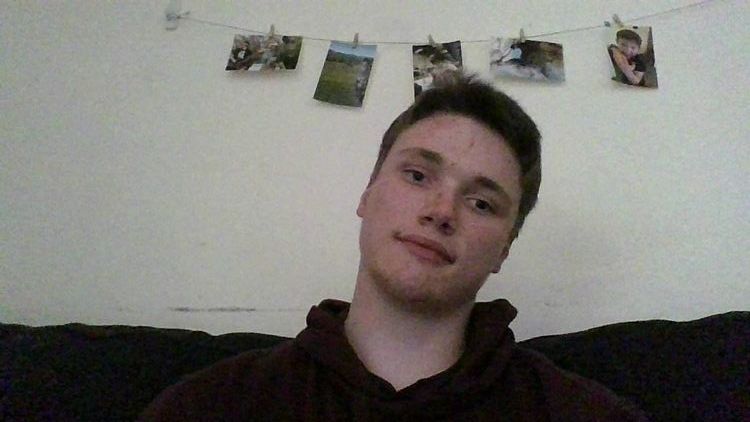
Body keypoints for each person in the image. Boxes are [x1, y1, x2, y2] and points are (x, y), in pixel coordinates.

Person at [140, 73, 648, 421]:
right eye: (418, 175)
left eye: (481, 203)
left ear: (504, 250)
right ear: (368, 194)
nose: (442, 211)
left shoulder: (584, 413)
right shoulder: (210, 405)